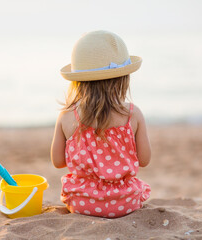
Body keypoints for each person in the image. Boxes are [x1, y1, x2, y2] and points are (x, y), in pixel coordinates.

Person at [51, 30, 151, 218]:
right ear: (123, 79)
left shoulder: (66, 116)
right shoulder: (133, 114)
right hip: (125, 202)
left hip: (81, 203)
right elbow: (144, 160)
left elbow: (57, 162)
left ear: (78, 81)